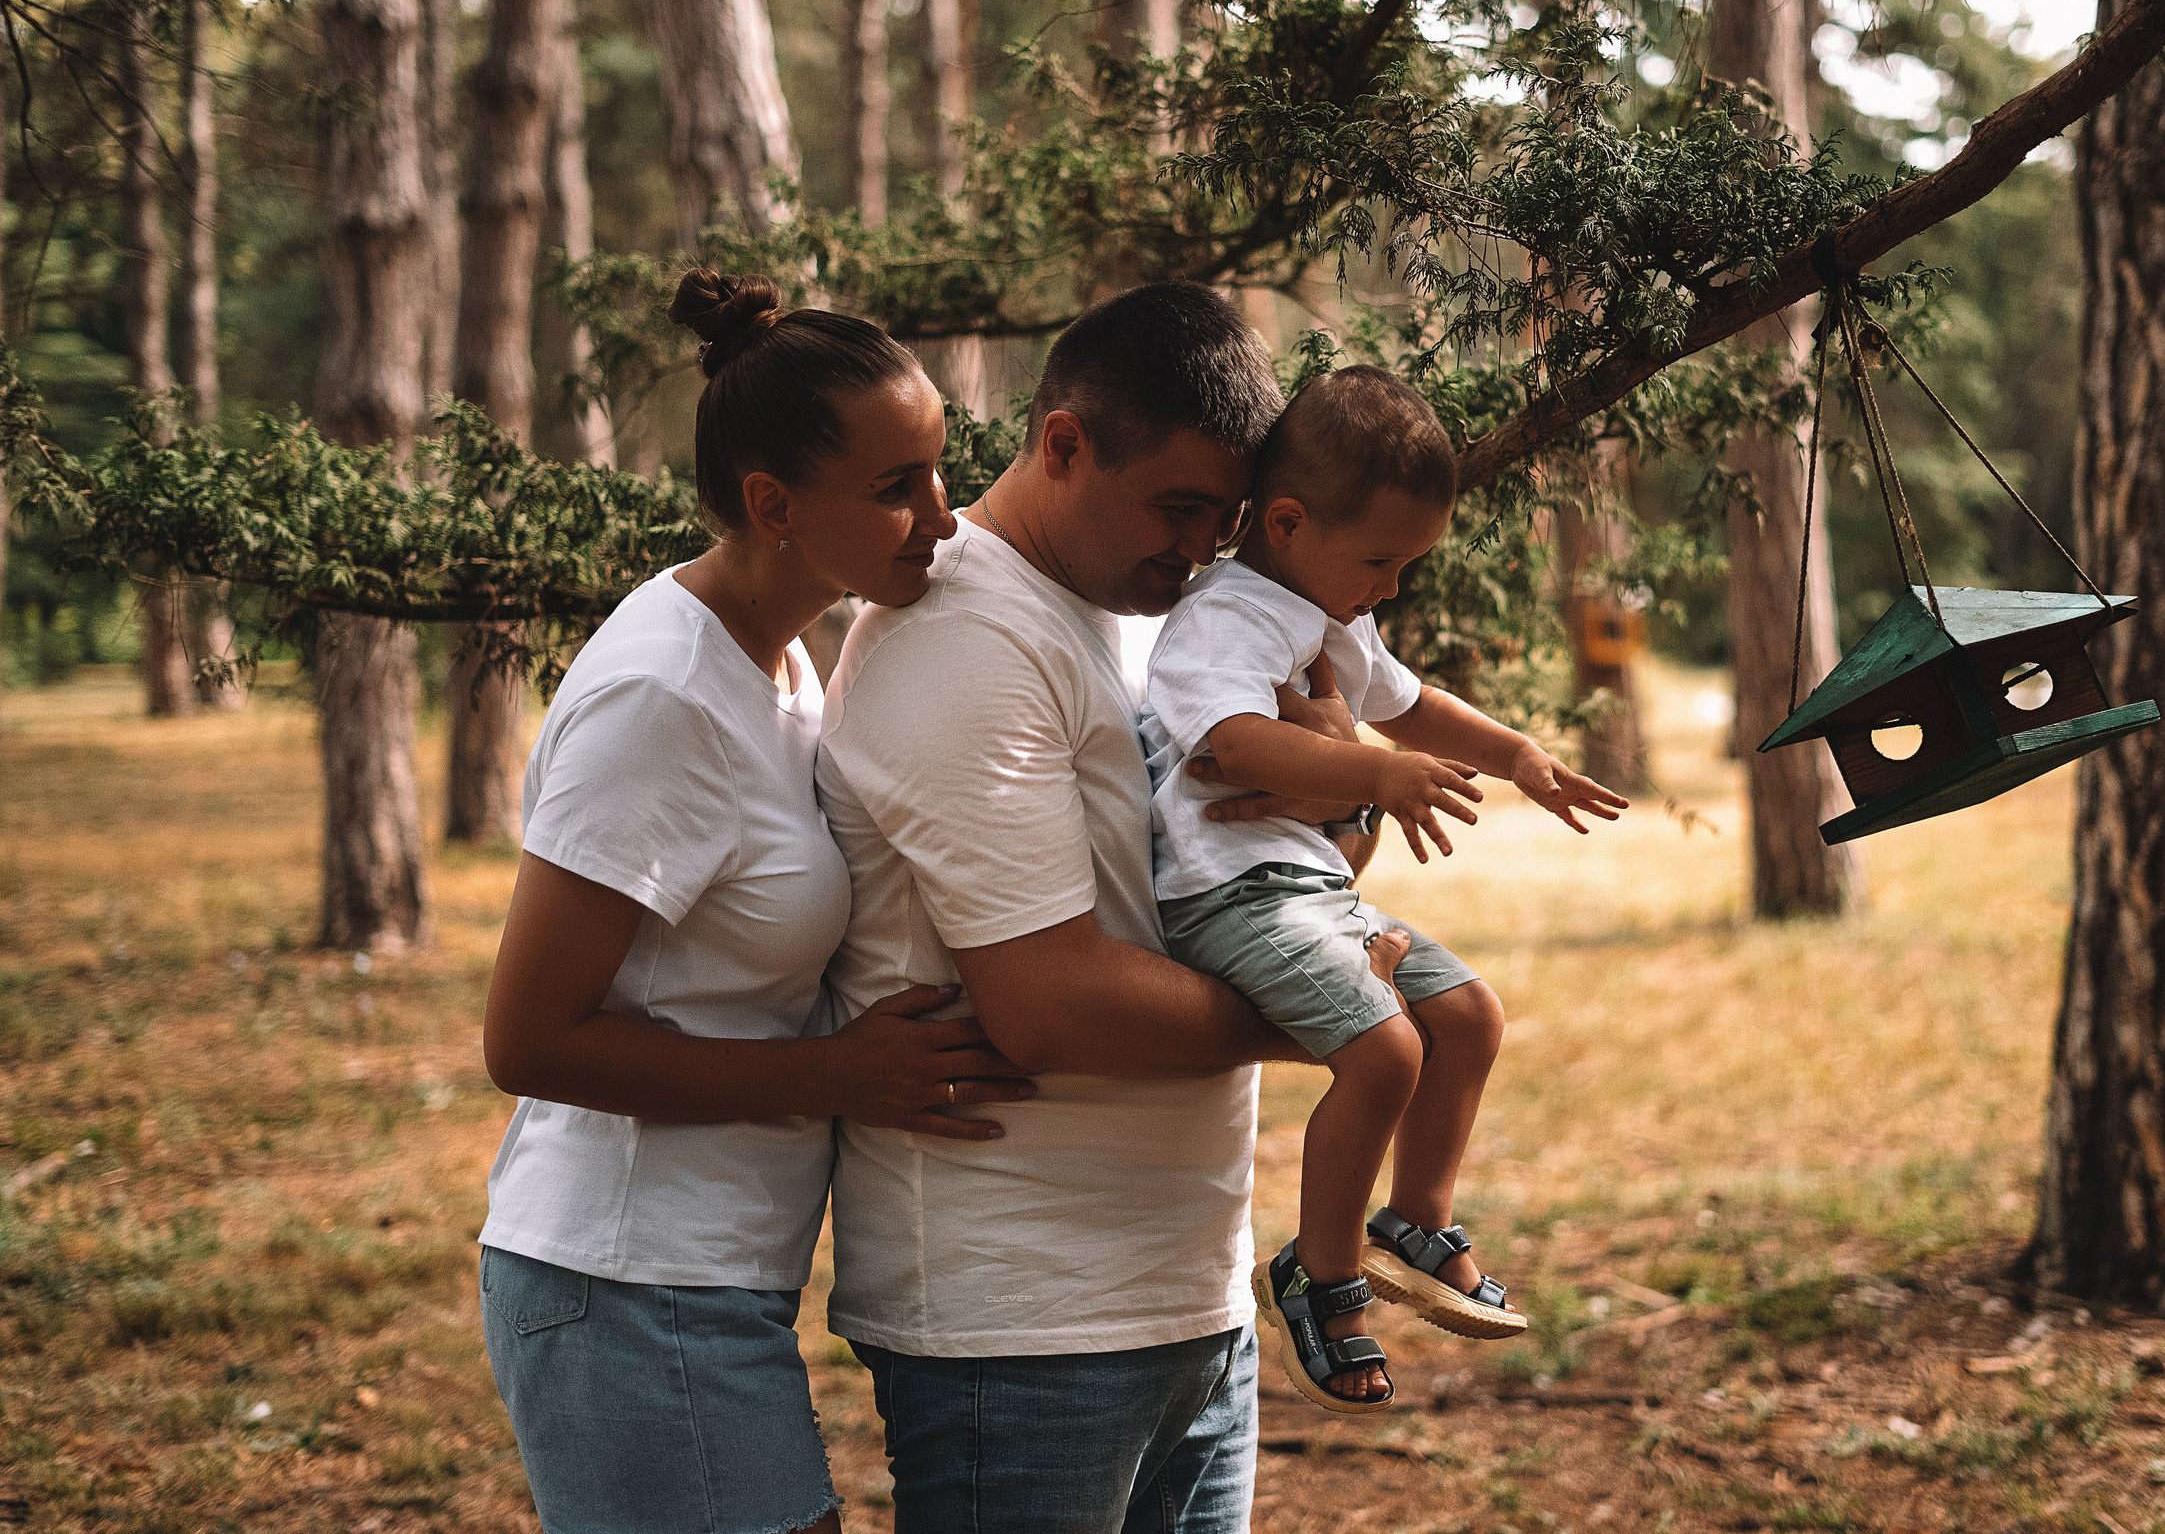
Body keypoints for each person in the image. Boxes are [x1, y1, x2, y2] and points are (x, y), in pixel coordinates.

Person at [816, 282, 1402, 1534]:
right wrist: (1347, 1017)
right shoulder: (964, 637)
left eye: (1225, 519)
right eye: (1178, 506)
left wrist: (1343, 784)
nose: (1200, 548)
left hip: (1186, 1292)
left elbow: (1255, 880)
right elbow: (1051, 1003)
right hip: (1021, 1323)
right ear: (1064, 443)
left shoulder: (1154, 623)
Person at [477, 270, 1033, 1534]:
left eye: (941, 468)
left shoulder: (779, 657)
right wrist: (837, 1074)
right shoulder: (659, 696)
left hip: (706, 1278)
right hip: (623, 1275)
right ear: (772, 505)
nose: (940, 518)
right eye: (895, 488)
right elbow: (529, 1042)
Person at [1143, 365, 1628, 1414]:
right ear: (1285, 522)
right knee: (1383, 1050)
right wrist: (1368, 772)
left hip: (1308, 890)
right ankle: (1320, 1281)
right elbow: (1232, 741)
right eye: (1380, 559)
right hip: (1228, 896)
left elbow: (1410, 707)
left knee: (1465, 1016)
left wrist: (1518, 755)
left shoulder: (1332, 615)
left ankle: (1413, 1217)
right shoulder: (1224, 616)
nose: (1392, 586)